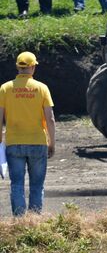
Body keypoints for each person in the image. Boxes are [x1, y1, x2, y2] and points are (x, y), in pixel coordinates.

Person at [0, 51, 55, 216]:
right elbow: (50, 119)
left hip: (14, 143)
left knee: (17, 184)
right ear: (32, 68)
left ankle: (20, 221)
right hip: (38, 143)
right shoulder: (42, 88)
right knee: (37, 186)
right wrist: (51, 143)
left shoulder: (5, 89)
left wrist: (0, 143)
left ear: (18, 67)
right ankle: (34, 222)